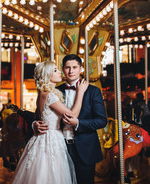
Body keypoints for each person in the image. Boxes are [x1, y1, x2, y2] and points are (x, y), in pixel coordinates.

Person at [11, 60, 88, 184]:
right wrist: (80, 92)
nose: (60, 72)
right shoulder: (50, 96)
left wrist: (35, 123)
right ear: (47, 75)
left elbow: (38, 116)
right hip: (51, 139)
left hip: (45, 137)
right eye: (55, 70)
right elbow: (72, 115)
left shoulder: (43, 93)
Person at [34, 54, 107, 184]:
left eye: (74, 67)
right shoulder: (54, 90)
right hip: (59, 147)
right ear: (63, 69)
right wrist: (35, 124)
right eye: (67, 67)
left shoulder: (92, 91)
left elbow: (102, 120)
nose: (71, 71)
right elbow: (39, 114)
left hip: (85, 148)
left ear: (81, 69)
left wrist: (78, 123)